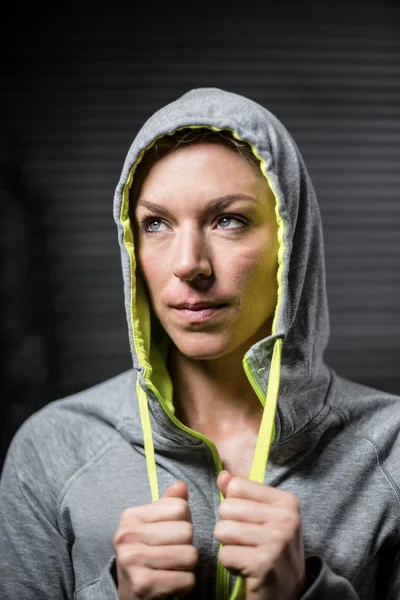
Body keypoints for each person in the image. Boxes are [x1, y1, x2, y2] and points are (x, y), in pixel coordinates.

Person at [0, 87, 399, 600]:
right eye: (156, 224)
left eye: (227, 219)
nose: (189, 263)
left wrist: (307, 592)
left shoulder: (390, 448)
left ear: (289, 242)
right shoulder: (54, 447)